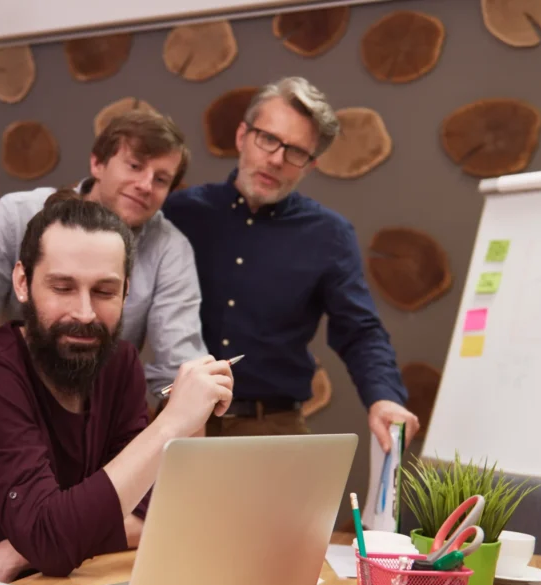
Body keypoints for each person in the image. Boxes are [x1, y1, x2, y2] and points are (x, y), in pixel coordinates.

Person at [0, 191, 234, 585]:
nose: (84, 313)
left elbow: (148, 508)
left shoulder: (120, 363)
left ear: (127, 291)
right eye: (62, 287)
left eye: (104, 291)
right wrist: (171, 426)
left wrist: (16, 550)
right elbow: (58, 533)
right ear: (23, 283)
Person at [0, 110, 207, 459]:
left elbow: (181, 374)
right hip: (6, 409)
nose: (146, 184)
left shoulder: (170, 250)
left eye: (161, 179)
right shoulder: (17, 215)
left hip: (94, 428)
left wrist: (192, 490)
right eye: (135, 166)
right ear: (98, 163)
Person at [162, 76, 419, 452]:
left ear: (310, 166)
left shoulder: (329, 235)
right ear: (242, 136)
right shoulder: (180, 214)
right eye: (268, 139)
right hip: (177, 422)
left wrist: (384, 396)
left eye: (296, 152)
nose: (277, 159)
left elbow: (360, 330)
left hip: (272, 430)